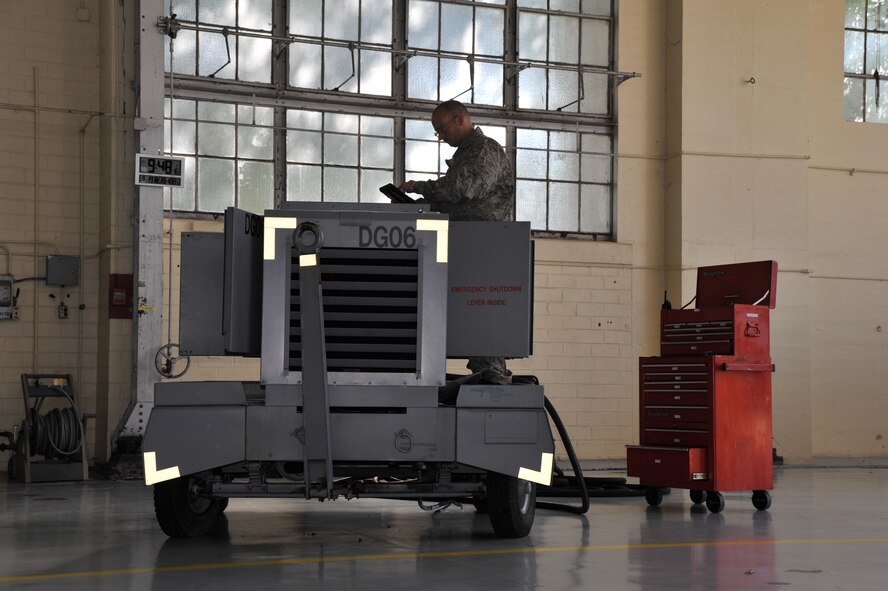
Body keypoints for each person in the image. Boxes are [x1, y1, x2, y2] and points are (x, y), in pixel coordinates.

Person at [401, 100, 514, 385]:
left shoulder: (485, 150)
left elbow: (463, 189)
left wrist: (421, 188)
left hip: (484, 247)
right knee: (468, 317)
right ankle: (483, 374)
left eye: (442, 128)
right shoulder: (466, 154)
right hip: (468, 245)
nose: (440, 136)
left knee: (482, 317)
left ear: (460, 118)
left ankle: (492, 377)